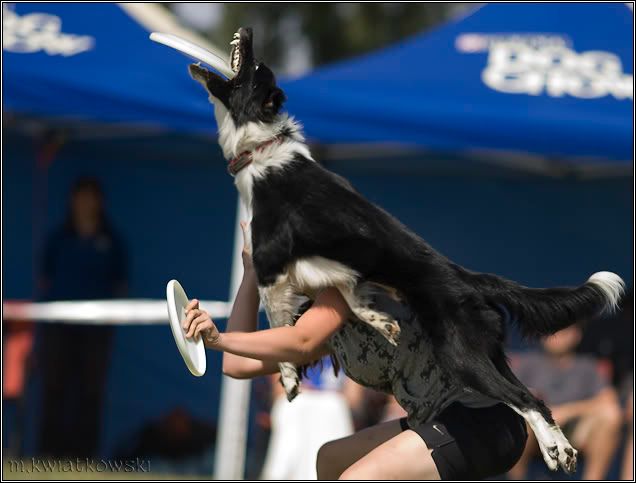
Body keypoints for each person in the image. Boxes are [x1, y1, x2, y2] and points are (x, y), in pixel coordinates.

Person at [181, 222, 527, 480]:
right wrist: (250, 274)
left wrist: (218, 338)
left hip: (484, 423)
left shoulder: (354, 285)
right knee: (332, 459)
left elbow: (302, 340)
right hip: (436, 422)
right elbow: (237, 365)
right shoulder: (325, 324)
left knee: (357, 478)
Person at [35, 176, 127, 458]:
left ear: (100, 202)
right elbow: (44, 278)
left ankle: (85, 455)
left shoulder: (112, 241)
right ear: (72, 201)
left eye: (91, 197)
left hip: (96, 331)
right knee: (54, 387)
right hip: (58, 327)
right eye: (81, 197)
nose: (85, 203)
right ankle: (48, 454)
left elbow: (121, 283)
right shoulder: (58, 238)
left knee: (90, 391)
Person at [508, 324, 623, 480]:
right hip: (535, 430)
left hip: (575, 429)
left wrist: (567, 411)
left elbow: (609, 401)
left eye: (564, 330)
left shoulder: (587, 366)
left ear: (576, 335)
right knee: (520, 417)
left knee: (611, 415)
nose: (557, 335)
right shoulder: (528, 362)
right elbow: (508, 396)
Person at [259, 356, 356, 480]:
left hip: (332, 413)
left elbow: (353, 398)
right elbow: (280, 389)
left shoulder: (347, 350)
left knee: (334, 406)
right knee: (293, 406)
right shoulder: (289, 348)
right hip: (297, 407)